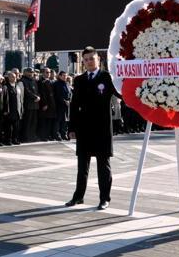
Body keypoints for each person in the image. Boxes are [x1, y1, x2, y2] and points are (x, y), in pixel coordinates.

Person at [65, 46, 120, 210]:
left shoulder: (107, 78)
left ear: (98, 60)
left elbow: (121, 93)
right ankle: (78, 196)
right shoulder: (80, 80)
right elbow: (74, 105)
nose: (89, 62)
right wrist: (72, 127)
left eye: (92, 58)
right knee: (82, 166)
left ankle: (104, 198)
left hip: (102, 129)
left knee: (104, 166)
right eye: (86, 59)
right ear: (83, 62)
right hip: (84, 129)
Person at [20, 68, 40, 143]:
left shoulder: (33, 81)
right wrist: (35, 97)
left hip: (35, 104)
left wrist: (38, 97)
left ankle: (32, 136)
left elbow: (37, 91)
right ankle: (26, 137)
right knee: (27, 122)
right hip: (28, 104)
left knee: (34, 122)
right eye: (30, 72)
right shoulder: (23, 81)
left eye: (32, 72)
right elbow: (27, 91)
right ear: (25, 73)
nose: (31, 74)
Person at [38, 67, 58, 141]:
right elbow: (42, 94)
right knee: (44, 122)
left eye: (49, 72)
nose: (48, 74)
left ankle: (48, 135)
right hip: (45, 105)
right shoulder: (41, 82)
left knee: (49, 122)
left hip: (51, 105)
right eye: (47, 72)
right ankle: (43, 136)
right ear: (43, 73)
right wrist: (44, 104)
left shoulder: (50, 81)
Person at [4, 71, 23, 145]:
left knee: (16, 127)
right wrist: (6, 110)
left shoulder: (17, 86)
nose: (14, 78)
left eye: (15, 77)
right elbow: (5, 99)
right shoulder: (6, 87)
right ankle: (8, 140)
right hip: (9, 110)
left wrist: (21, 109)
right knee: (9, 127)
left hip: (17, 110)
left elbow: (20, 99)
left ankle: (15, 139)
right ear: (8, 78)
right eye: (12, 77)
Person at [54, 72, 72, 140]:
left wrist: (69, 100)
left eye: (66, 75)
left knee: (65, 121)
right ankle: (57, 135)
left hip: (67, 105)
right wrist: (64, 101)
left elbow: (70, 94)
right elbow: (57, 95)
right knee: (58, 121)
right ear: (60, 76)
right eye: (63, 76)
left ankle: (64, 134)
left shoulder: (67, 84)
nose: (65, 77)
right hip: (59, 105)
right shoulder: (57, 84)